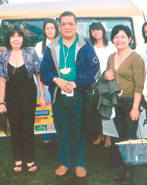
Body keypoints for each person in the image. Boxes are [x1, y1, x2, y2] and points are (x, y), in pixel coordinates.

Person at [40, 11, 99, 178]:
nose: (67, 27)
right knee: (62, 130)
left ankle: (79, 163)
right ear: (59, 26)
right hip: (59, 95)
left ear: (76, 25)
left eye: (70, 24)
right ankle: (64, 162)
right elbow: (44, 72)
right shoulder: (52, 47)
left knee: (78, 130)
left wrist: (76, 82)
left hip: (79, 94)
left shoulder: (85, 44)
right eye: (63, 24)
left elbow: (94, 68)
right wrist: (56, 80)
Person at [0, 24, 46, 173]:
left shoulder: (31, 53)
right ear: (9, 39)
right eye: (13, 36)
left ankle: (30, 159)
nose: (16, 39)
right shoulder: (4, 55)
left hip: (28, 95)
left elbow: (38, 75)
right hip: (12, 96)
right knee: (15, 128)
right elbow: (3, 81)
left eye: (19, 36)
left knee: (27, 127)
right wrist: (1, 102)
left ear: (23, 38)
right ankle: (18, 159)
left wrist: (42, 95)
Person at [105, 25, 145, 184]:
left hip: (130, 102)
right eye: (116, 37)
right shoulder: (110, 57)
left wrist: (135, 108)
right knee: (120, 136)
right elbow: (108, 78)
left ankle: (129, 171)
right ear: (113, 39)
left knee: (130, 137)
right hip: (115, 102)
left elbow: (139, 85)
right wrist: (106, 76)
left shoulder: (136, 58)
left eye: (123, 37)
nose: (119, 40)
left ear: (129, 39)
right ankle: (123, 167)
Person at [89, 22, 116, 147]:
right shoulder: (90, 47)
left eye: (98, 30)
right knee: (96, 109)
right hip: (94, 82)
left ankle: (108, 136)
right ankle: (99, 135)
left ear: (103, 31)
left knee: (107, 109)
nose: (96, 32)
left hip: (108, 80)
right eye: (93, 30)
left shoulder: (110, 46)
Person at [35, 18, 59, 144]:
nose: (50, 31)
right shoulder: (39, 46)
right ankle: (47, 135)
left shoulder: (61, 42)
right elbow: (38, 70)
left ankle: (59, 133)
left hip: (60, 82)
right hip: (44, 82)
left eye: (52, 28)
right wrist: (42, 90)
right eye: (47, 28)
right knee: (45, 107)